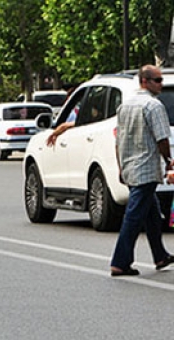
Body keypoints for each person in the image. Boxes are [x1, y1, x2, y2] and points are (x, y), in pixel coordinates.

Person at [110, 64, 174, 276]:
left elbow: (118, 140)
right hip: (145, 168)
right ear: (144, 81)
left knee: (152, 213)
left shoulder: (125, 106)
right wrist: (168, 159)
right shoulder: (153, 106)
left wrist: (121, 167)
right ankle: (120, 261)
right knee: (134, 216)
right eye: (157, 80)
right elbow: (162, 138)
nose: (161, 85)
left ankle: (160, 255)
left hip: (130, 166)